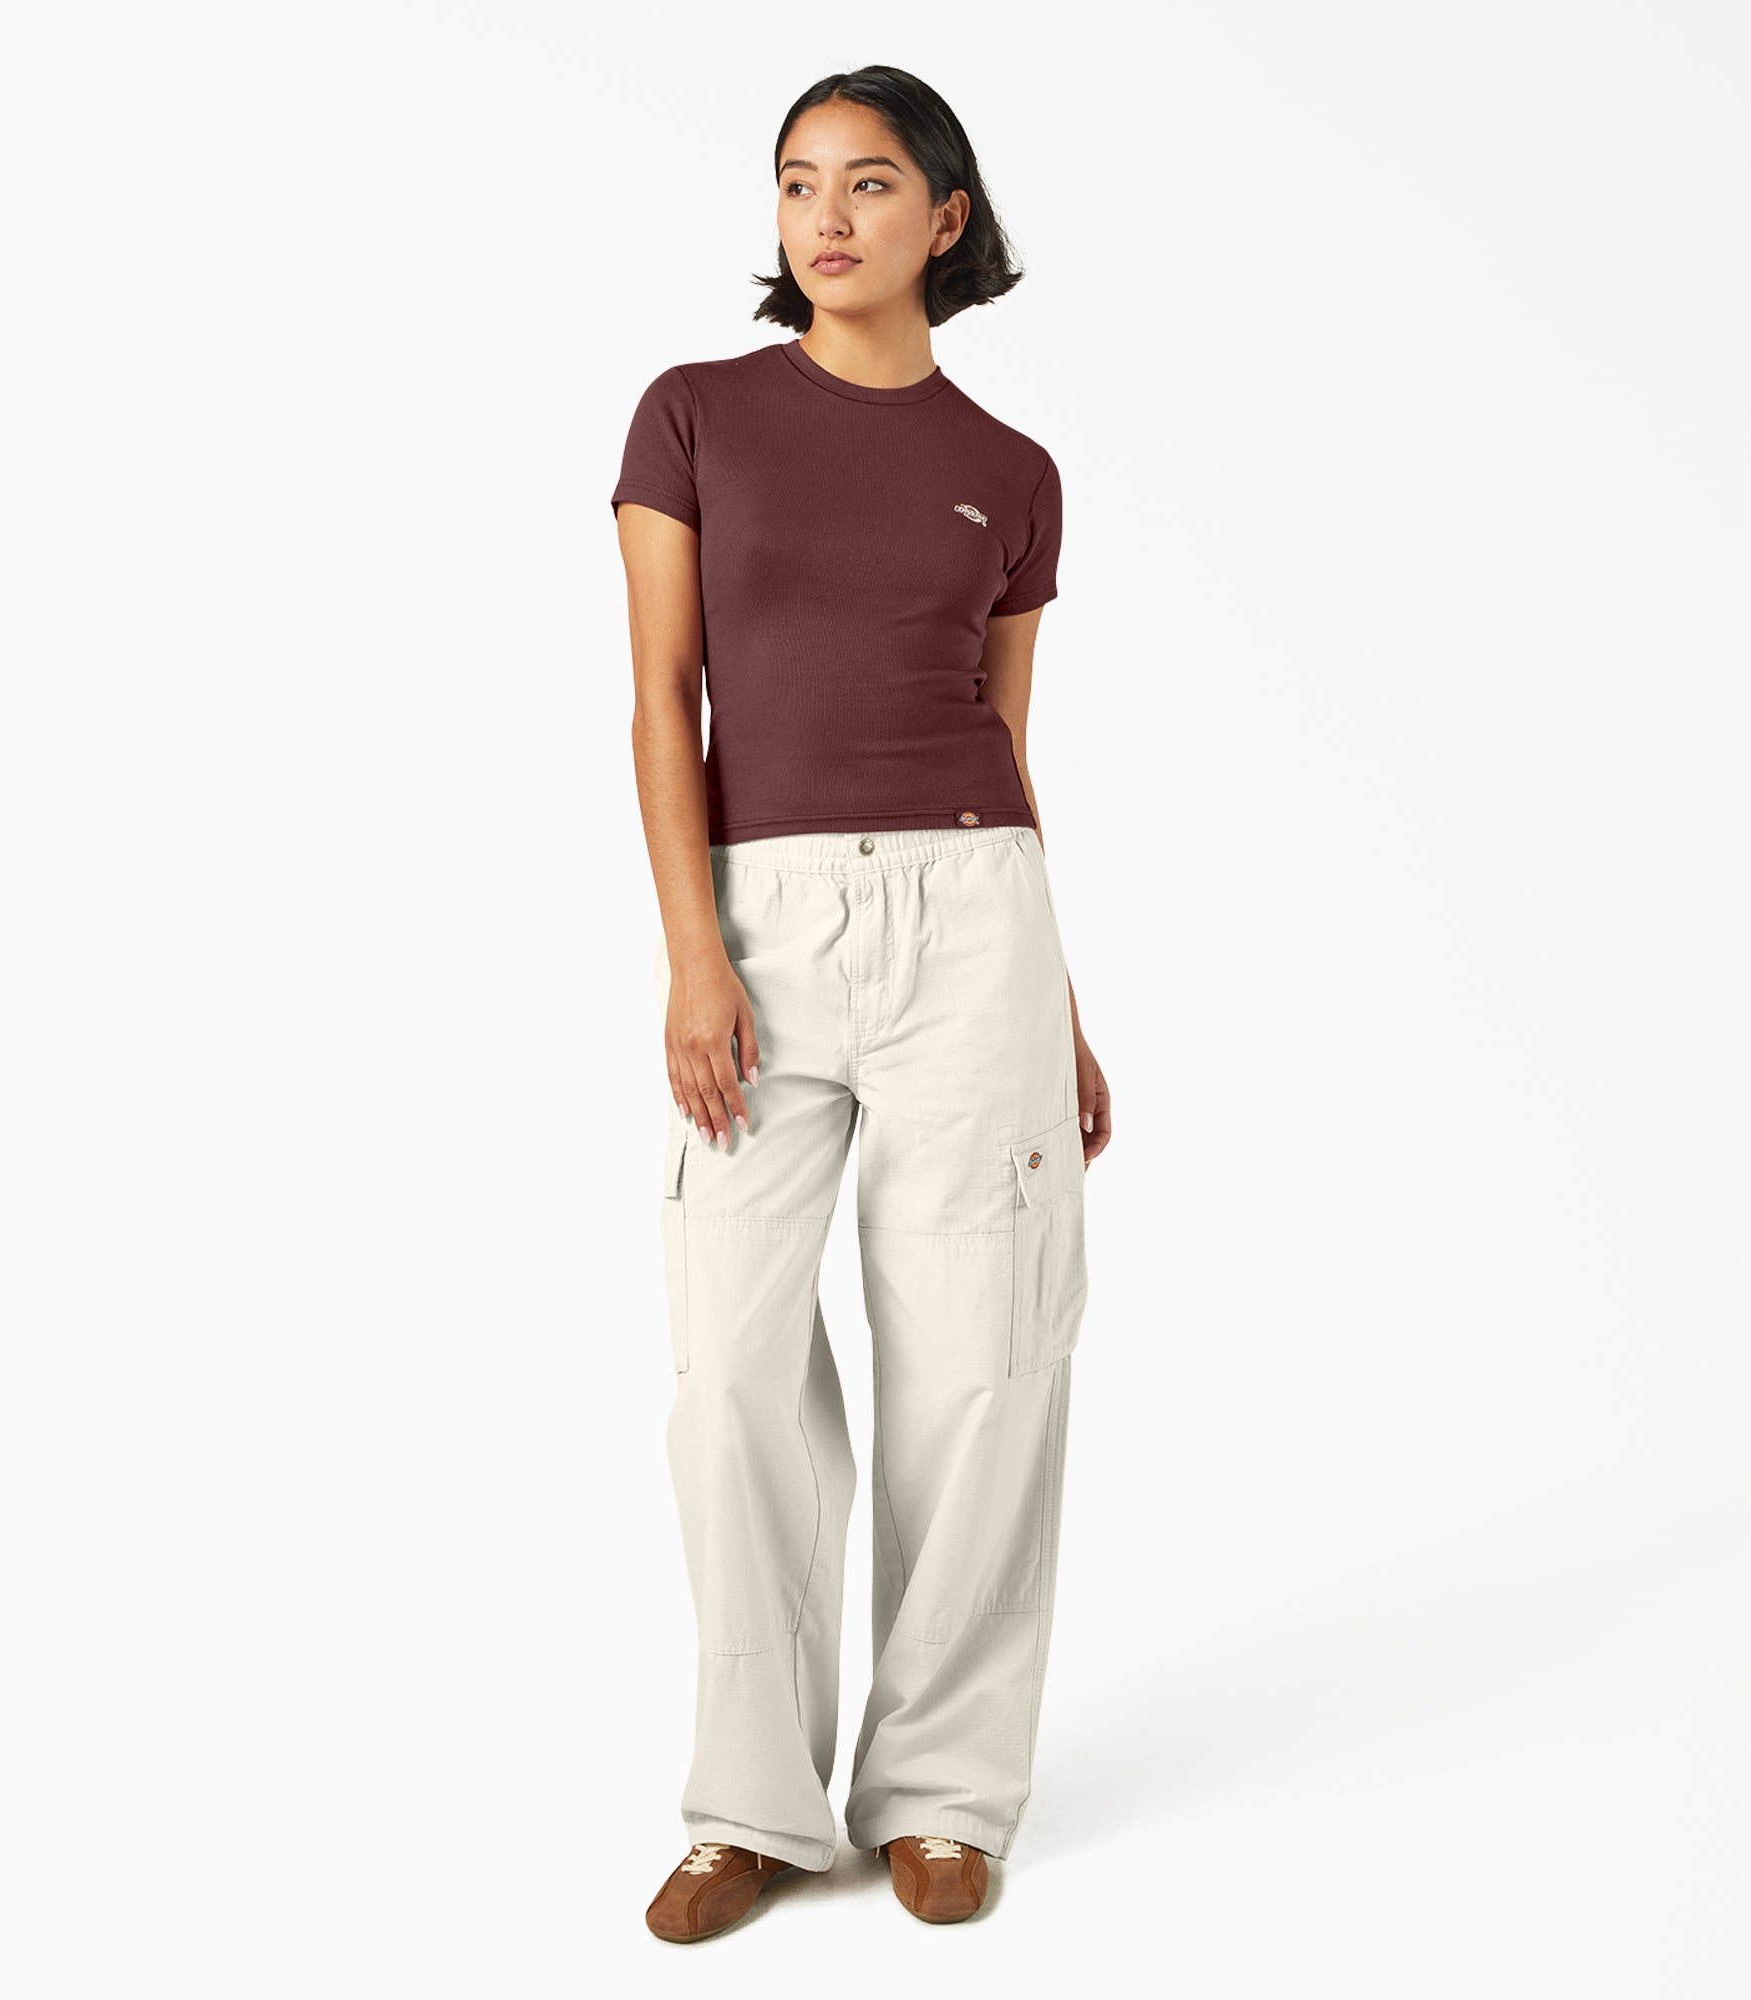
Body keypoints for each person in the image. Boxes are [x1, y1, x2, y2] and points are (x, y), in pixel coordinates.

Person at [610, 63, 1112, 1941]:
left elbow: (1006, 745)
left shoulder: (1015, 472)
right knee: (733, 1373)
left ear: (946, 219)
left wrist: (1060, 1003)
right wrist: (694, 955)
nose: (826, 216)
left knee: (982, 1364)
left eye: (871, 183)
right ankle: (749, 1802)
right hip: (761, 920)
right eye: (798, 182)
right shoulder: (695, 415)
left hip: (979, 930)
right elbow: (663, 701)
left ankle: (945, 1788)